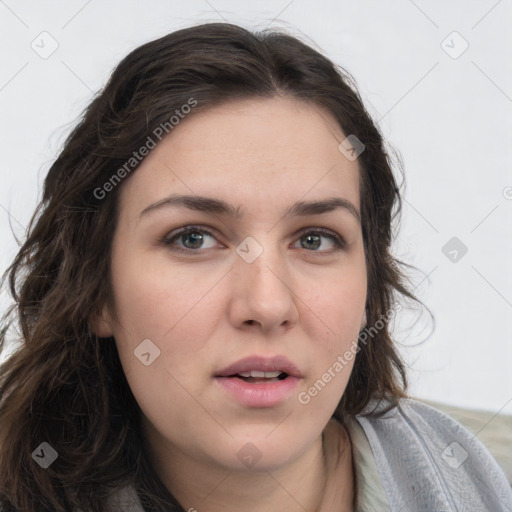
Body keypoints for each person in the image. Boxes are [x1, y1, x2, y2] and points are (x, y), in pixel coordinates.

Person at [0, 22, 510, 512]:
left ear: (370, 285)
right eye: (193, 238)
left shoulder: (477, 476)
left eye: (315, 239)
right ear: (96, 291)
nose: (267, 305)